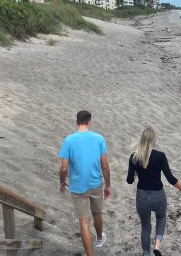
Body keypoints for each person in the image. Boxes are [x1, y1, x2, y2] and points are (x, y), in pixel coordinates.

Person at [126, 127, 181, 256]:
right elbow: (170, 178)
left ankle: (146, 253)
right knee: (161, 217)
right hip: (158, 195)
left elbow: (129, 181)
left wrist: (136, 174)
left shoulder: (134, 157)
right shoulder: (160, 156)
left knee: (145, 227)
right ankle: (157, 246)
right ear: (154, 140)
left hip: (142, 196)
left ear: (142, 140)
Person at [59, 110, 111, 256]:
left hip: (77, 186)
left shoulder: (69, 140)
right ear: (90, 122)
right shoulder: (99, 139)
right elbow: (105, 166)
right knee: (97, 213)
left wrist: (62, 182)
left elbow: (63, 168)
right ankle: (100, 238)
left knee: (83, 221)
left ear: (77, 122)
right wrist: (108, 185)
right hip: (95, 183)